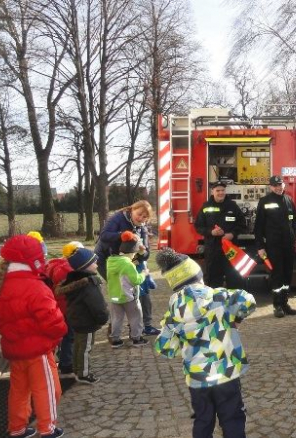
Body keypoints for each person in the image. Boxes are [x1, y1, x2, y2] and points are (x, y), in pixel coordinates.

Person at [154, 247, 256, 438]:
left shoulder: (173, 315)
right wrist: (236, 319)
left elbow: (165, 348)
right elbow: (248, 301)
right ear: (198, 276)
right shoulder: (220, 297)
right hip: (226, 371)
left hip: (198, 377)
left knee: (203, 419)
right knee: (232, 416)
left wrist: (184, 343)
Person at [0, 234, 68, 438]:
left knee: (18, 392)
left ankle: (17, 428)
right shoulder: (36, 287)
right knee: (48, 390)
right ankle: (47, 429)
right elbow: (54, 321)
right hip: (38, 351)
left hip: (15, 351)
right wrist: (58, 336)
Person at [56, 246, 110, 385]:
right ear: (85, 266)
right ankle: (84, 373)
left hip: (76, 319)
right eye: (94, 262)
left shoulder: (72, 281)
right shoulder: (89, 283)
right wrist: (103, 317)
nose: (97, 264)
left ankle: (76, 367)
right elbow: (97, 304)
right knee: (86, 347)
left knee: (78, 345)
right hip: (87, 322)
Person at [254, 175, 296, 318]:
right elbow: (258, 227)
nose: (279, 188)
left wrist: (294, 237)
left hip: (288, 245)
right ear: (271, 187)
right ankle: (277, 305)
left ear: (284, 185)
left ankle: (285, 303)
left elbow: (294, 221)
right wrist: (260, 246)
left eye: (281, 185)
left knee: (287, 274)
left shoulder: (289, 201)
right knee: (277, 275)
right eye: (275, 185)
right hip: (274, 245)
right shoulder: (265, 201)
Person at [194, 181, 246, 288]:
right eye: (218, 190)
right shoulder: (206, 206)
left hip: (230, 249)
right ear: (212, 191)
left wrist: (232, 234)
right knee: (213, 279)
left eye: (222, 190)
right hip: (213, 250)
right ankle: (215, 302)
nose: (221, 193)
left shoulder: (232, 206)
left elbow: (242, 224)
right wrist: (211, 232)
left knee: (234, 278)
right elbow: (198, 226)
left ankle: (233, 302)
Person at [42, 237, 80, 377]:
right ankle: (66, 363)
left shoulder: (53, 264)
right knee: (69, 336)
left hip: (55, 306)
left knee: (62, 335)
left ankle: (61, 358)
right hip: (65, 307)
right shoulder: (67, 269)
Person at [106, 231, 148, 348]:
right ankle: (137, 338)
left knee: (116, 318)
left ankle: (115, 340)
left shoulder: (111, 261)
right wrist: (144, 274)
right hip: (129, 296)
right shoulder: (127, 264)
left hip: (115, 296)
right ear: (132, 251)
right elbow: (136, 280)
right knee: (135, 317)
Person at [94, 200, 153, 280]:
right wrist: (121, 235)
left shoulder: (142, 229)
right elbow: (104, 235)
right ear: (132, 209)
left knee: (128, 286)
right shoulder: (118, 218)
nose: (140, 218)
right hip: (104, 257)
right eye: (139, 214)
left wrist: (142, 252)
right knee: (116, 284)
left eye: (144, 217)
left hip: (125, 260)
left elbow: (146, 255)